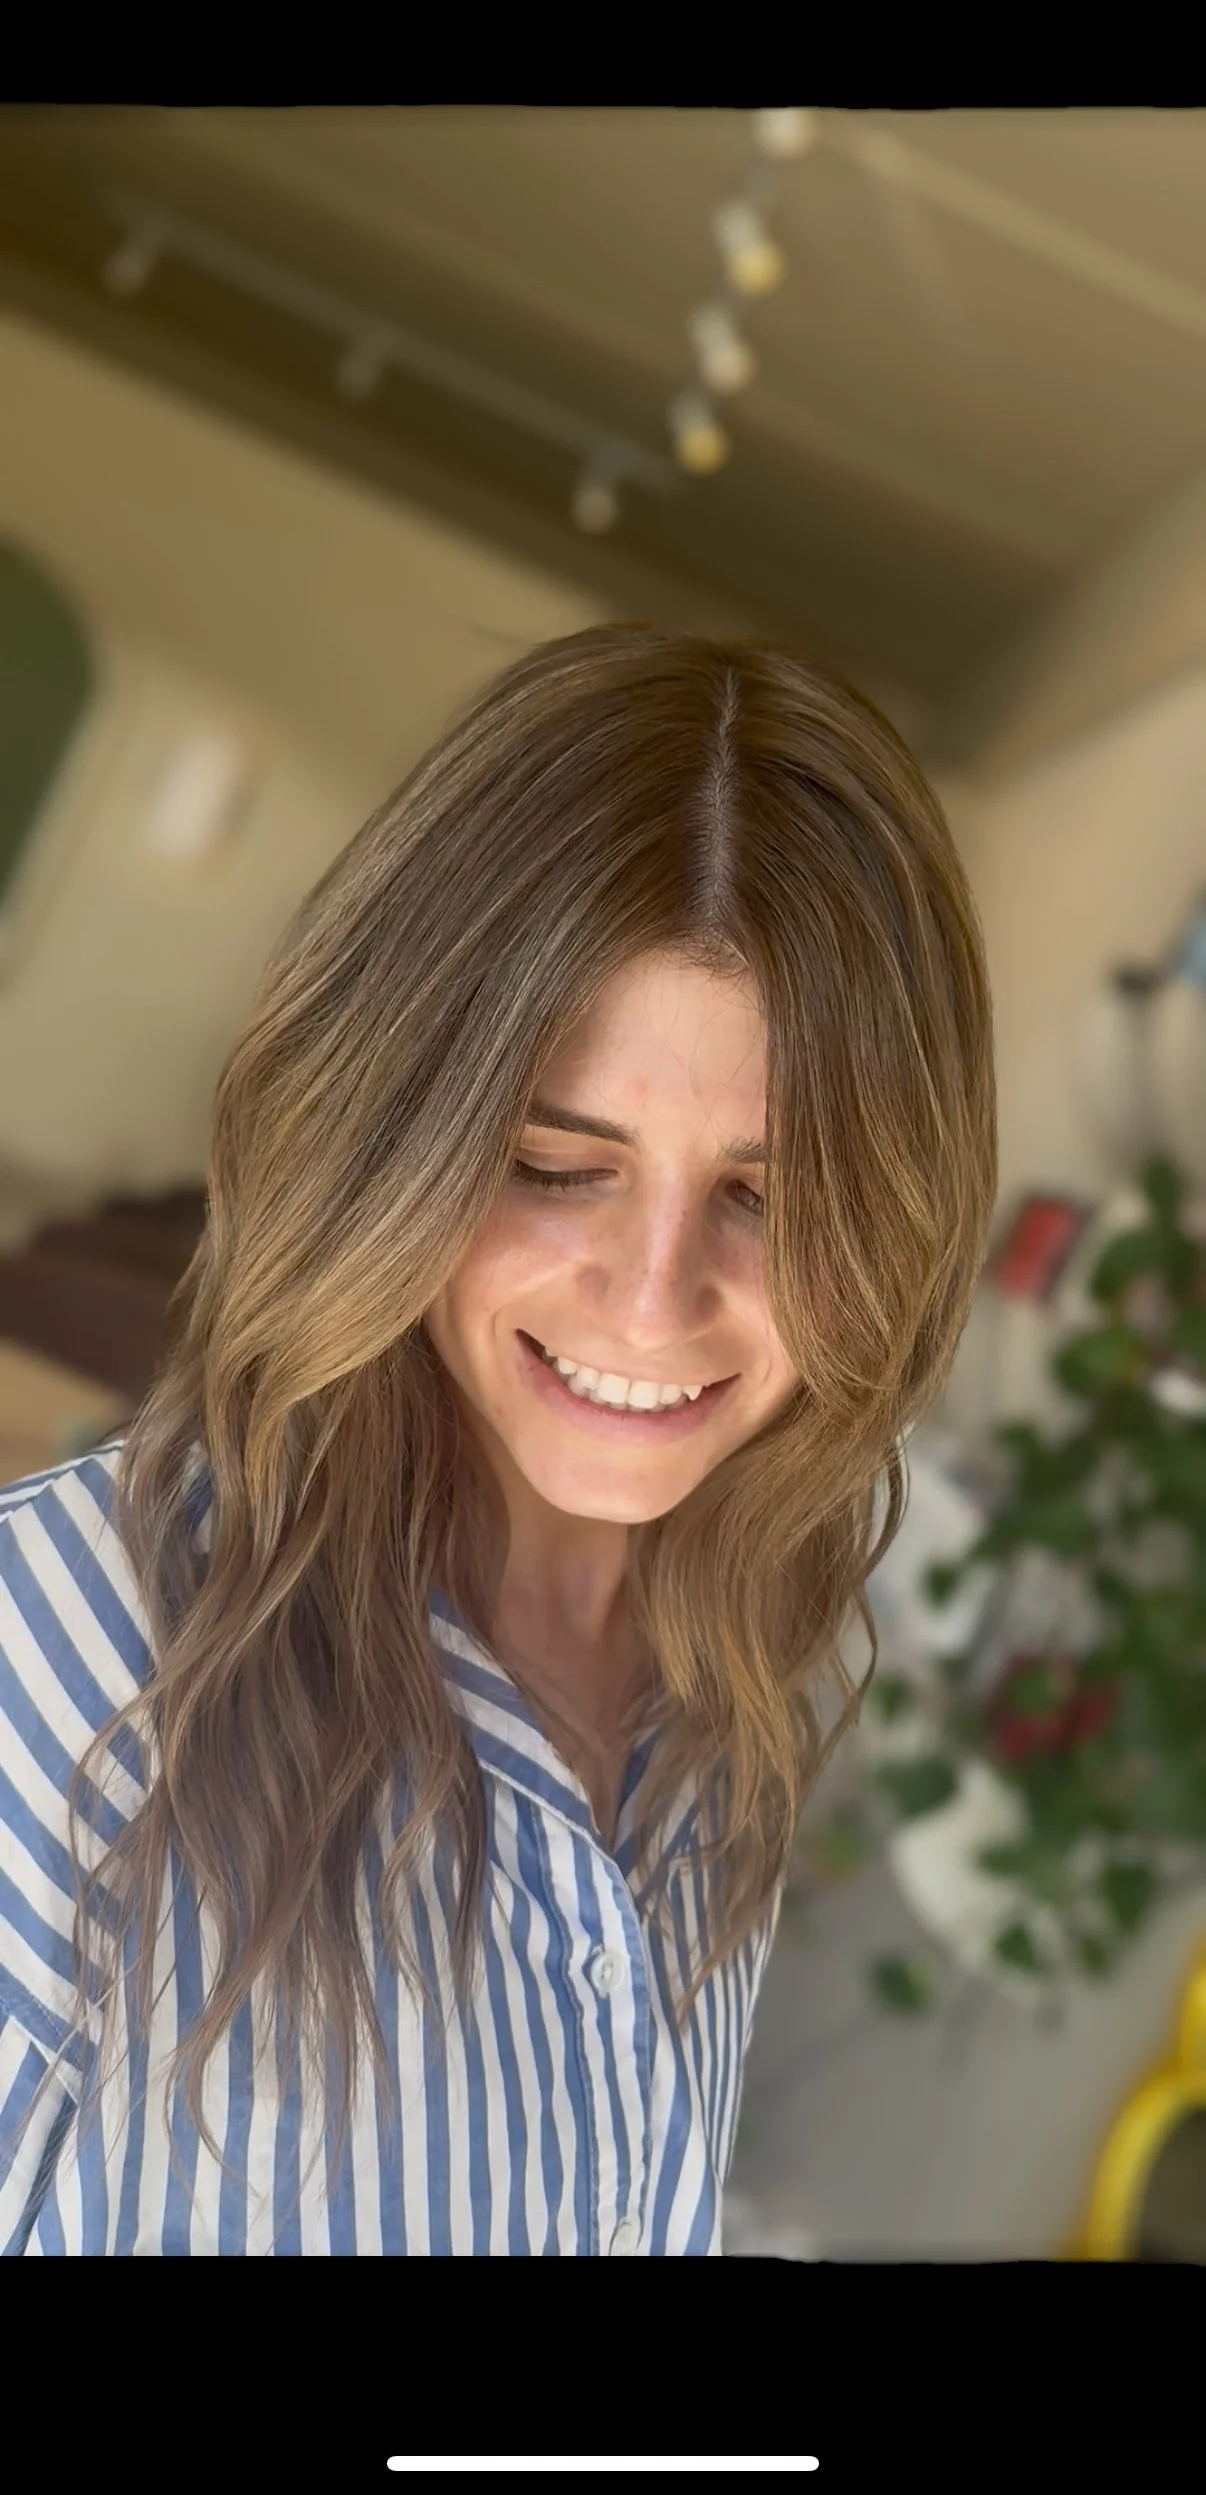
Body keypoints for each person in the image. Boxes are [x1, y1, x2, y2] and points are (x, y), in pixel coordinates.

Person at [0, 621, 997, 2254]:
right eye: (553, 1164)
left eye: (770, 1198)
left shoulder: (721, 1715)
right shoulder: (58, 1670)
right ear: (393, 1142)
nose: (653, 1298)